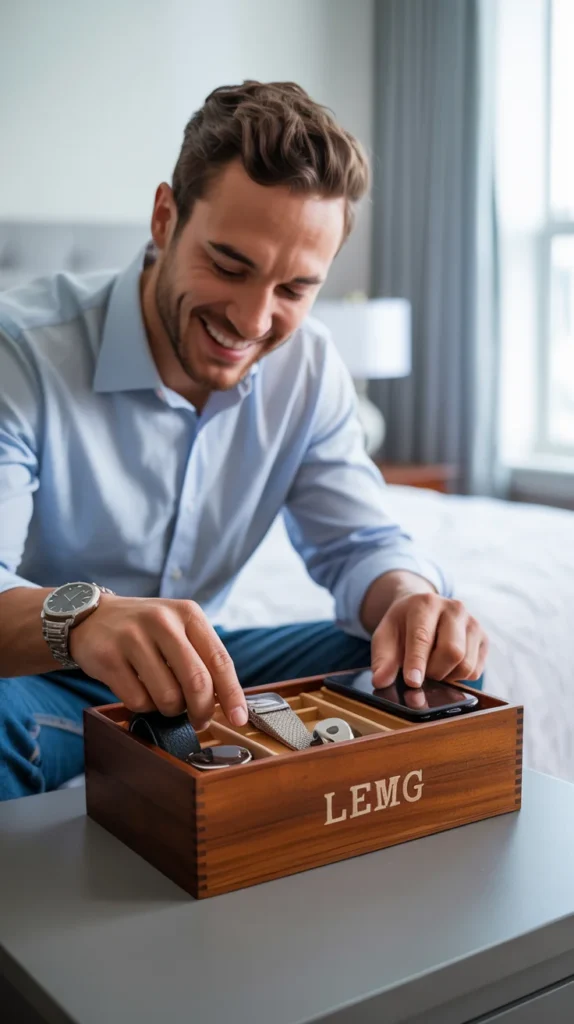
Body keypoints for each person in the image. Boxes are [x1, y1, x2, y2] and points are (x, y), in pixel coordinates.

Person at [0, 81, 488, 801]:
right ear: (165, 219)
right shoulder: (23, 352)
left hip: (210, 679)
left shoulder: (312, 367)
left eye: (294, 289)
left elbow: (359, 544)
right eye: (229, 266)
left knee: (428, 674)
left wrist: (411, 601)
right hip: (42, 678)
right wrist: (86, 619)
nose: (254, 320)